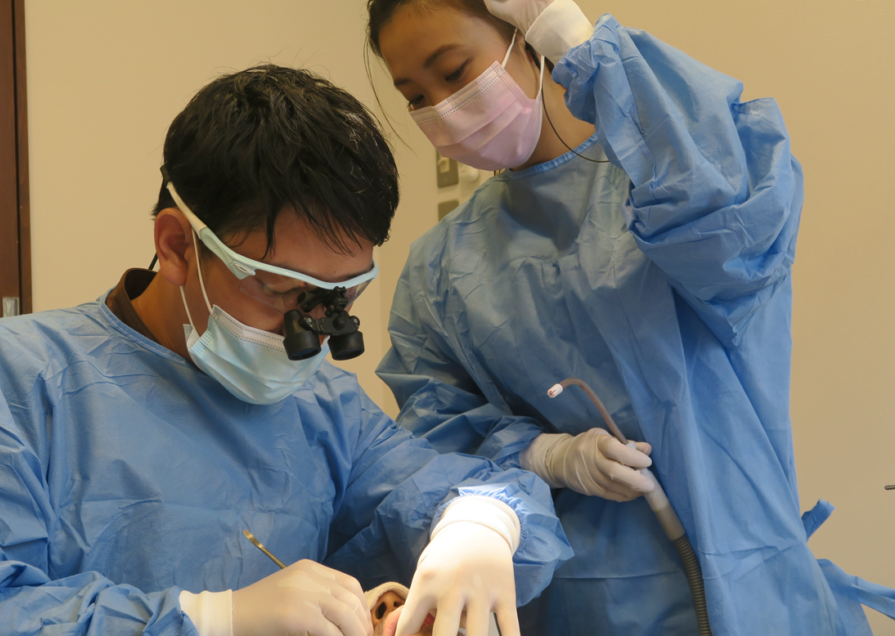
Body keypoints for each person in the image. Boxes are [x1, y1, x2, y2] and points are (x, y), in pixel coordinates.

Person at [0, 65, 575, 636]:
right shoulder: (12, 378)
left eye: (336, 300)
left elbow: (455, 485)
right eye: (280, 292)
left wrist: (480, 525)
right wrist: (207, 621)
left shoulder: (323, 405)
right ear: (178, 245)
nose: (311, 332)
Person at [366, 0, 895, 634]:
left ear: (526, 42)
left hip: (758, 590)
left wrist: (578, 42)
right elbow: (434, 429)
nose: (443, 108)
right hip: (582, 607)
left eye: (454, 72)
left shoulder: (669, 189)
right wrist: (542, 454)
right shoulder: (440, 266)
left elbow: (733, 232)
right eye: (415, 97)